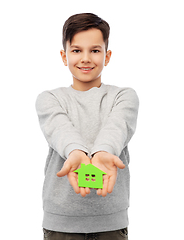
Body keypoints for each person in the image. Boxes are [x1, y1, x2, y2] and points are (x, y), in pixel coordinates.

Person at [36, 13, 139, 240]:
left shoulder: (124, 96)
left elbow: (117, 128)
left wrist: (103, 152)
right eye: (76, 50)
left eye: (94, 50)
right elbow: (60, 130)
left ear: (107, 55)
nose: (85, 58)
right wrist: (76, 152)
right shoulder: (50, 98)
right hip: (61, 223)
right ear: (64, 56)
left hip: (111, 221)